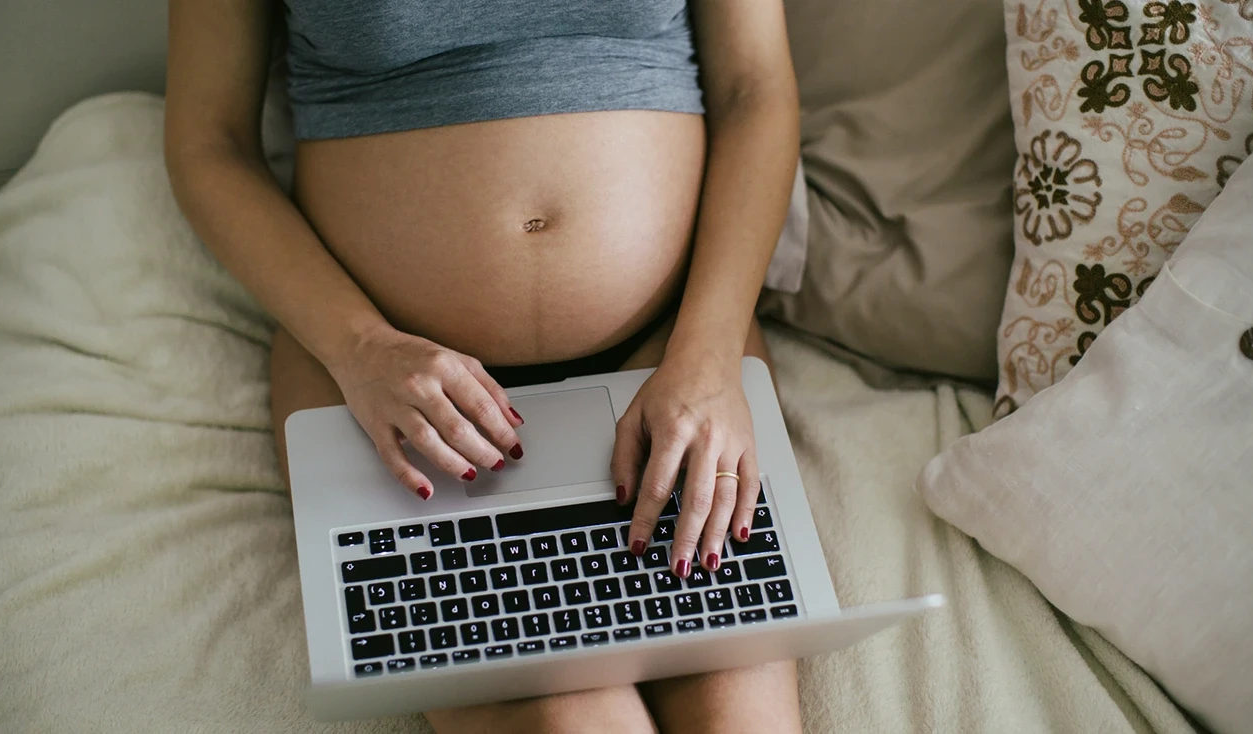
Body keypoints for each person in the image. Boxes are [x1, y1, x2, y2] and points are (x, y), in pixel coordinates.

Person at [164, 0, 801, 730]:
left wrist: (710, 358)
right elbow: (208, 144)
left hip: (676, 351)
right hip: (392, 387)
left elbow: (755, 89)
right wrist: (362, 348)